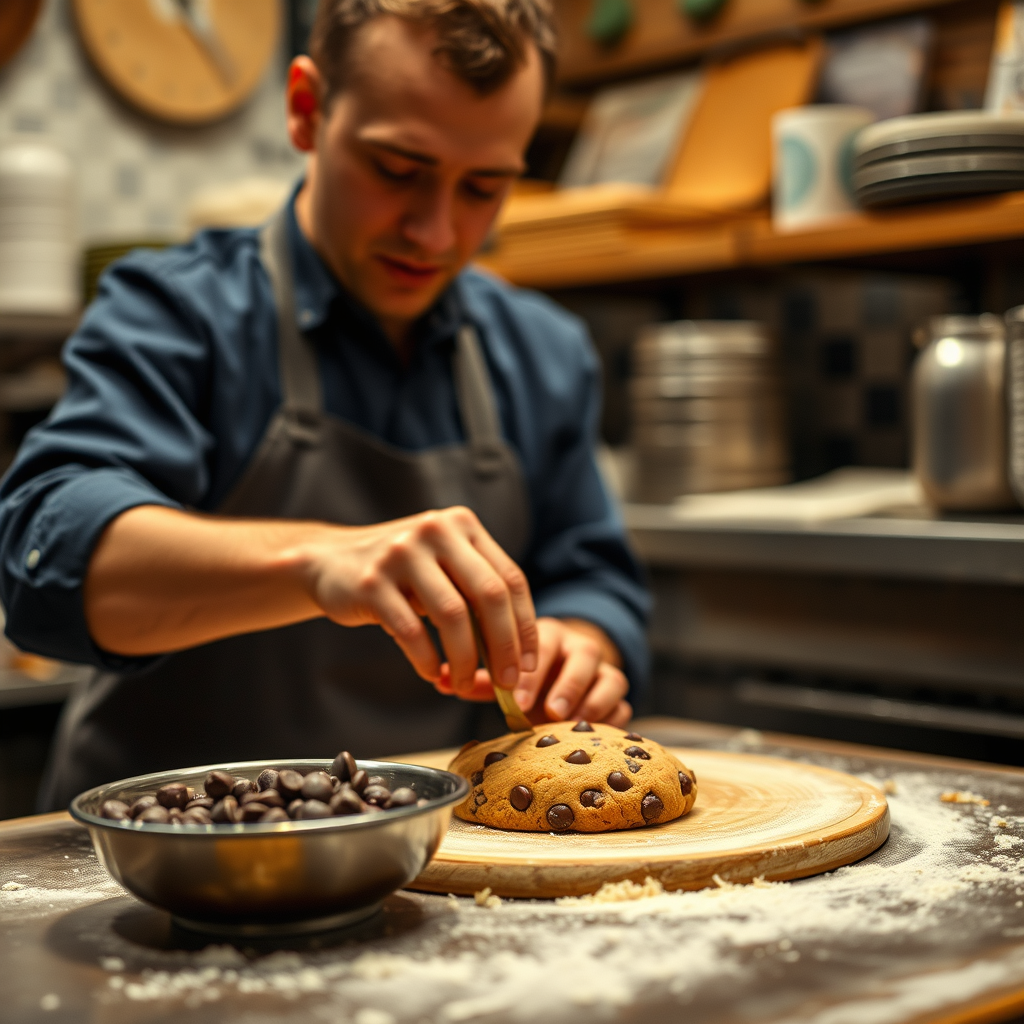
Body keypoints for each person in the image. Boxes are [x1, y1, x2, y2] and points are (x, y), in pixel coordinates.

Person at [0, 0, 650, 811]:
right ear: (308, 111)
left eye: (484, 187)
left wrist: (579, 645)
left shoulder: (544, 350)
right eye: (397, 168)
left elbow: (589, 573)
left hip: (435, 862)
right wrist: (317, 560)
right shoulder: (178, 312)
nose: (436, 232)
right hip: (171, 865)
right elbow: (44, 561)